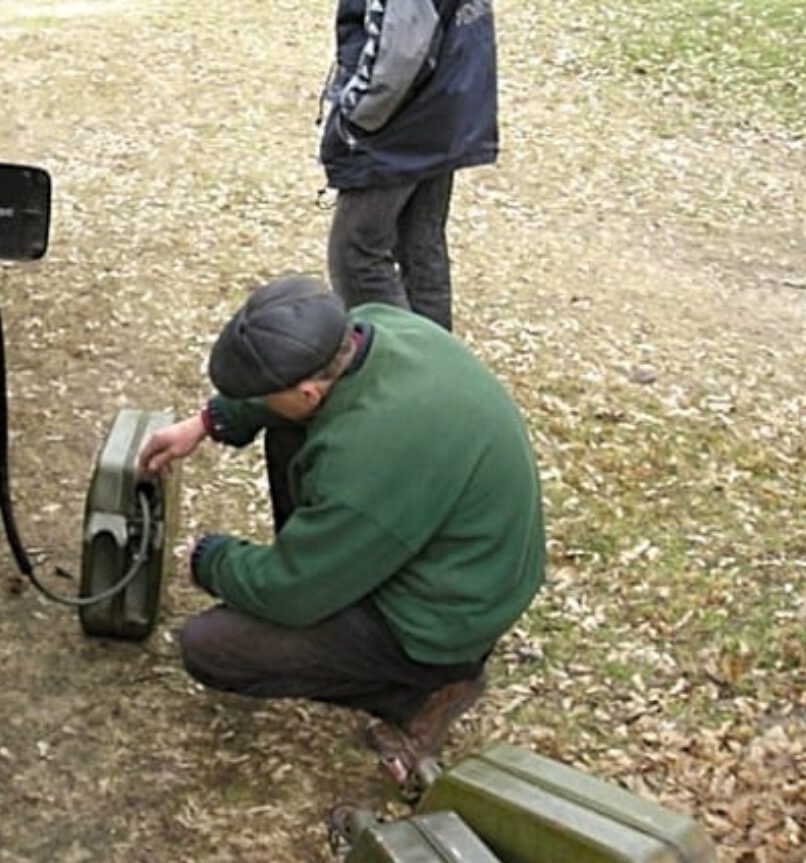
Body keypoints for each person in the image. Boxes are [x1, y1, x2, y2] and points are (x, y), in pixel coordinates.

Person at [140, 276, 544, 783]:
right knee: (287, 430)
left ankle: (430, 686)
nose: (259, 399)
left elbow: (287, 592)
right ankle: (332, 566)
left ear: (309, 391)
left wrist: (209, 559)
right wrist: (206, 422)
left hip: (445, 617)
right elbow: (282, 392)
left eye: (265, 393)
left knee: (211, 646)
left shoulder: (369, 457)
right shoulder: (370, 327)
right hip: (463, 559)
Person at [320, 0, 499, 332]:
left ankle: (398, 366)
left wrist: (353, 117)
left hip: (399, 123)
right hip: (445, 103)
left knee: (357, 253)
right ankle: (438, 367)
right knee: (421, 245)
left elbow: (399, 56)